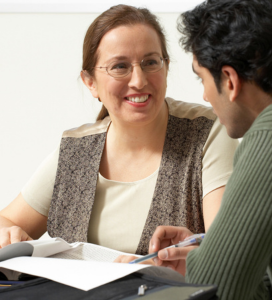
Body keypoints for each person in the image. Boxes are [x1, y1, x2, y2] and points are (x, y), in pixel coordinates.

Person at [0, 5, 238, 256]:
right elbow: (6, 221)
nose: (139, 80)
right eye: (120, 66)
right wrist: (9, 233)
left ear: (166, 68)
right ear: (91, 83)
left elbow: (224, 253)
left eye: (150, 62)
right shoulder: (75, 151)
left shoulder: (208, 133)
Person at [148, 0, 272, 299]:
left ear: (229, 80)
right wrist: (216, 249)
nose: (205, 96)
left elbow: (216, 290)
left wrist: (206, 264)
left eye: (201, 78)